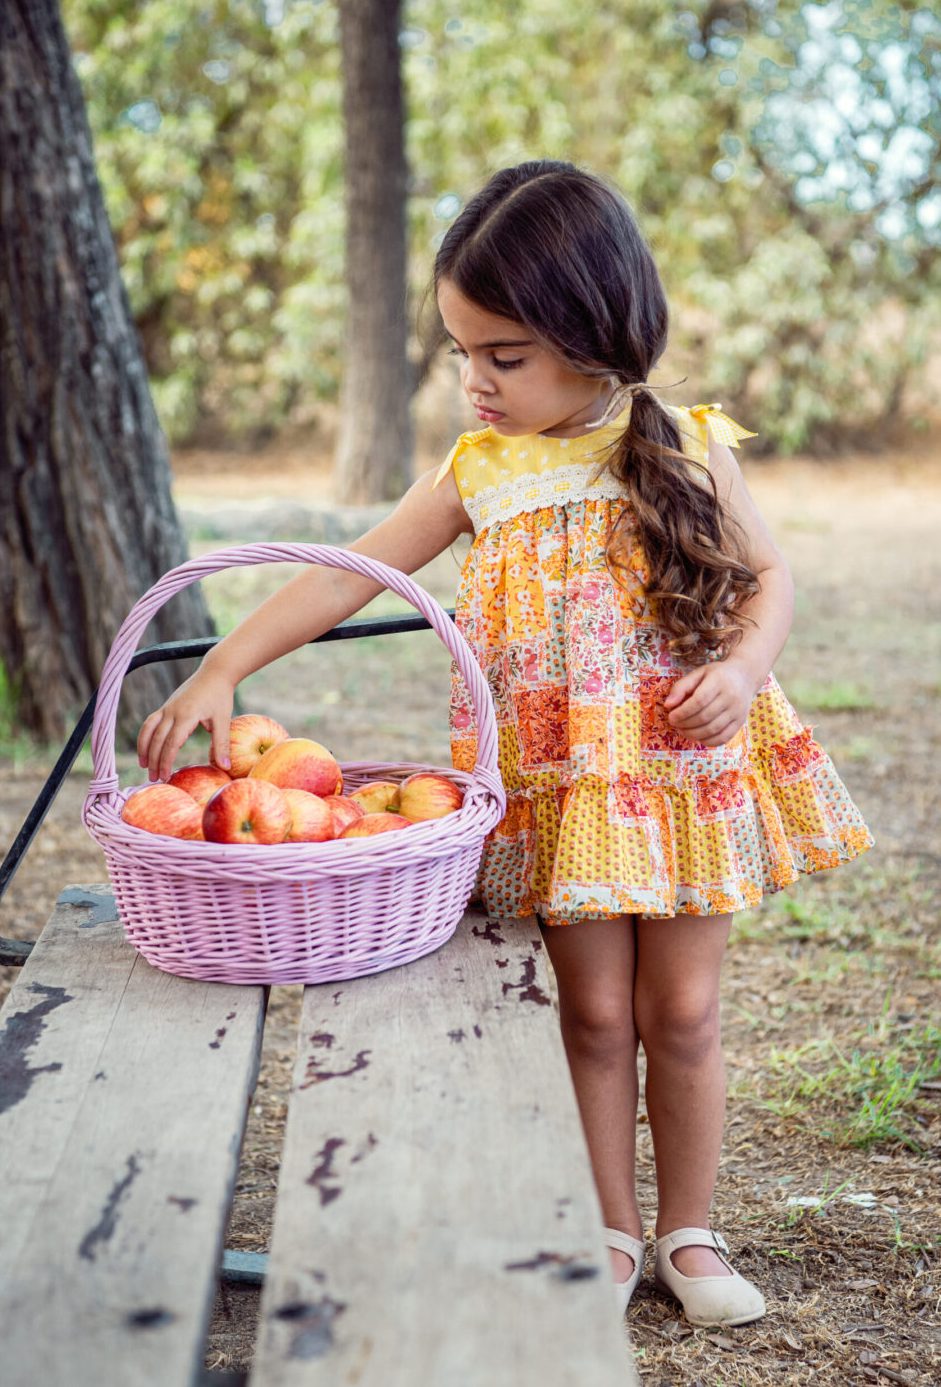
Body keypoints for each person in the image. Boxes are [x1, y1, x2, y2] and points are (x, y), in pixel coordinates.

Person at [138, 160, 873, 1326]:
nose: (473, 382)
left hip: (675, 768)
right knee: (589, 1016)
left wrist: (740, 670)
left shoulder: (673, 438)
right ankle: (607, 1229)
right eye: (460, 353)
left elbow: (768, 575)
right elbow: (351, 575)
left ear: (593, 333)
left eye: (504, 355)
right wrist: (227, 661)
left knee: (680, 1012)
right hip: (564, 780)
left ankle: (691, 1230)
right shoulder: (478, 471)